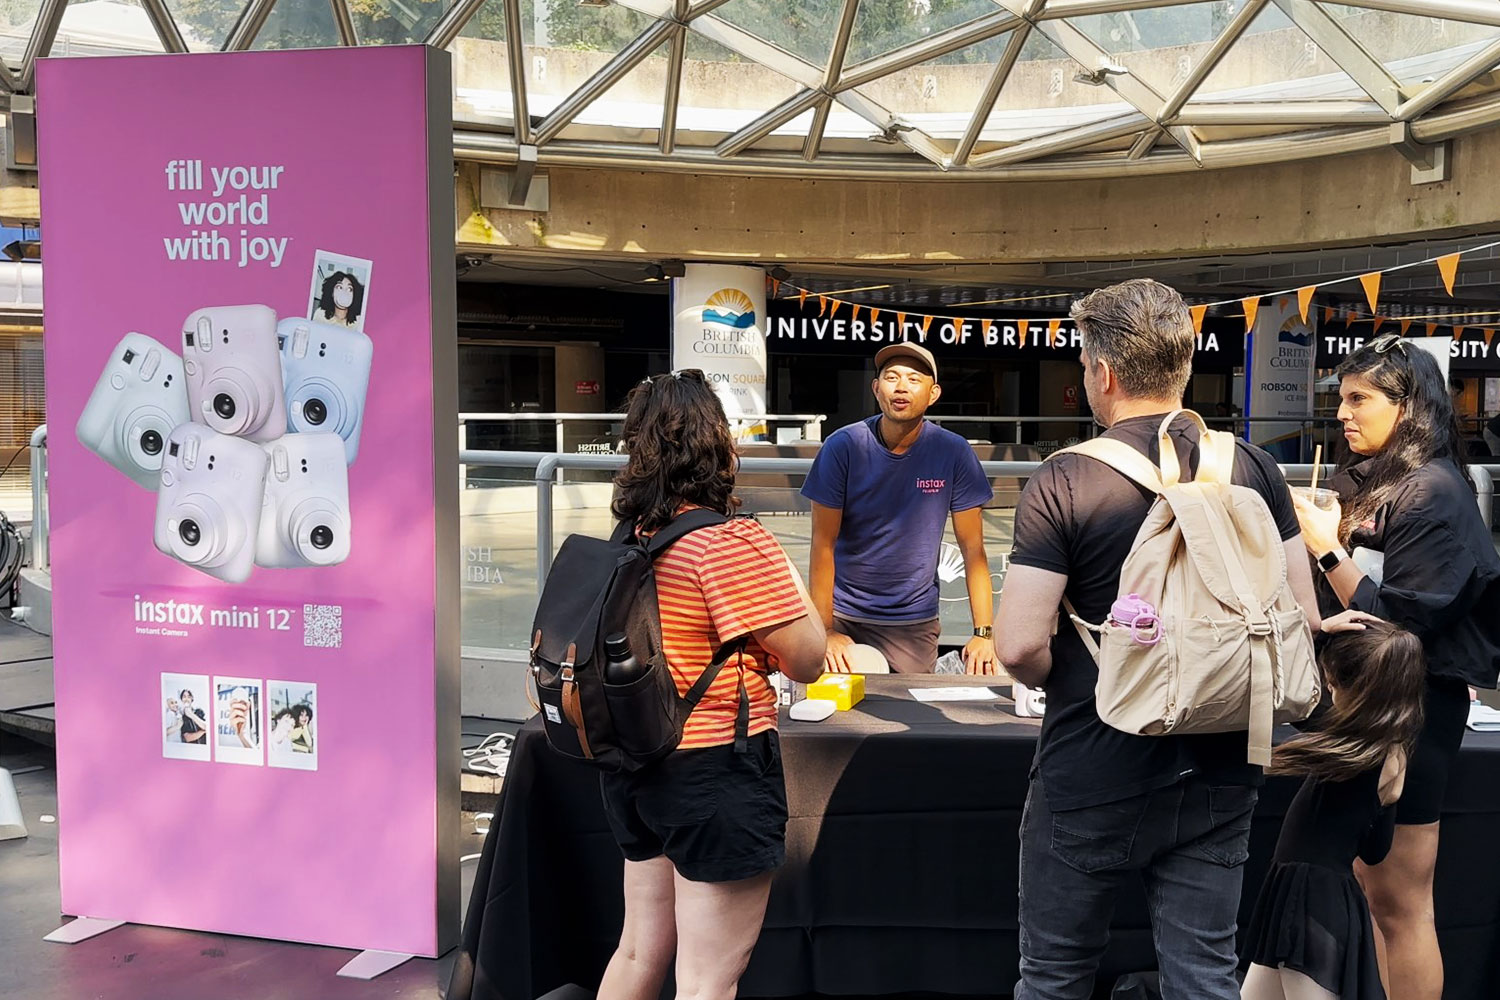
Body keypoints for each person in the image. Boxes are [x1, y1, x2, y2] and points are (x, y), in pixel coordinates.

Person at [994, 278, 1323, 1000]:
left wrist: (1075, 673)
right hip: (1225, 761)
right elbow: (1303, 613)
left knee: (1053, 976)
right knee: (1204, 975)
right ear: (1181, 367)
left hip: (1093, 760)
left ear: (1102, 372)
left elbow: (1017, 645)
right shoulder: (1255, 468)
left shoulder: (1066, 479)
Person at [595, 369, 825, 1000]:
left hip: (635, 765)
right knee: (707, 981)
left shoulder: (631, 538)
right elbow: (806, 657)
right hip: (714, 769)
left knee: (639, 949)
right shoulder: (727, 542)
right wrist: (773, 556)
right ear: (719, 446)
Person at [1290, 333, 1500, 1000]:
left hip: (1412, 711)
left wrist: (1328, 550)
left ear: (1408, 408)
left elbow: (1401, 622)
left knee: (1400, 901)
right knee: (1371, 890)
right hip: (1363, 707)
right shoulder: (1376, 482)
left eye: (1361, 399)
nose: (1344, 413)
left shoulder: (1434, 492)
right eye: (1342, 399)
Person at [1241, 618, 1424, 1000]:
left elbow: (1290, 692)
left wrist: (1319, 630)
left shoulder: (1347, 746)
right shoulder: (1389, 754)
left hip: (1309, 900)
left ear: (1359, 691)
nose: (1327, 689)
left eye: (1332, 683)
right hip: (1309, 896)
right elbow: (1376, 852)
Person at [801, 342, 998, 675]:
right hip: (844, 616)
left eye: (914, 378)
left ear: (933, 393)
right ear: (876, 389)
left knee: (912, 715)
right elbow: (823, 544)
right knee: (838, 715)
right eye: (891, 377)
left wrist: (983, 634)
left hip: (914, 622)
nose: (901, 386)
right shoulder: (843, 446)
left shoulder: (953, 451)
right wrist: (827, 629)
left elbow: (973, 548)